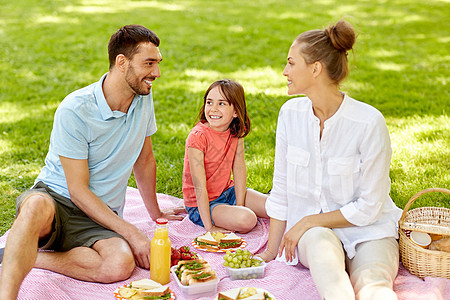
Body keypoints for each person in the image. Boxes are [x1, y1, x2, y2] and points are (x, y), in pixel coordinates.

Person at [0, 24, 185, 300]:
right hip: (58, 200)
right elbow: (77, 190)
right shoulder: (75, 109)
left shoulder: (143, 97)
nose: (156, 73)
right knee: (34, 206)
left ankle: (26, 255)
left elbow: (144, 159)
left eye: (157, 63)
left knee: (120, 264)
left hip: (99, 215)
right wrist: (132, 233)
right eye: (148, 63)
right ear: (121, 63)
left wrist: (155, 213)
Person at [257, 20, 402, 300]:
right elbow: (282, 188)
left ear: (315, 69)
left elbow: (371, 206)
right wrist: (270, 252)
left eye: (290, 63)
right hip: (315, 235)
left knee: (374, 285)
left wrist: (308, 220)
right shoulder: (290, 114)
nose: (284, 71)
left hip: (369, 230)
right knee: (334, 284)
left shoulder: (368, 122)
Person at [182, 79, 268, 233]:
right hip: (202, 204)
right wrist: (210, 227)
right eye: (209, 102)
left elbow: (239, 168)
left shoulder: (236, 131)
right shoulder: (197, 137)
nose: (213, 109)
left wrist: (239, 204)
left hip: (228, 192)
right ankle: (227, 215)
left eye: (221, 103)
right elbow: (199, 185)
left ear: (235, 111)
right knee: (247, 219)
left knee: (274, 207)